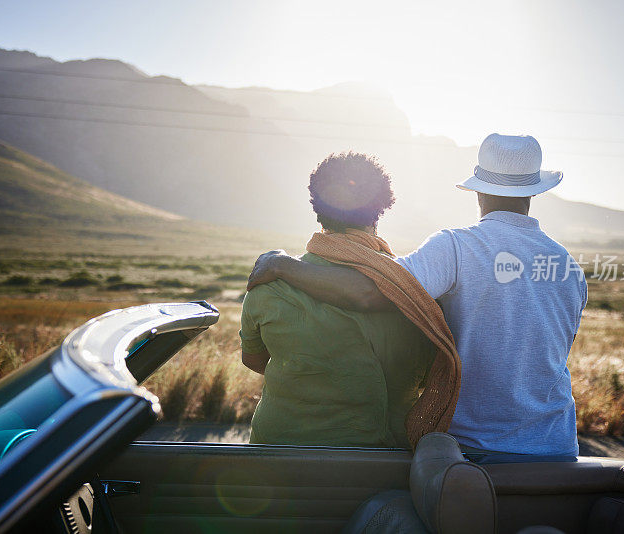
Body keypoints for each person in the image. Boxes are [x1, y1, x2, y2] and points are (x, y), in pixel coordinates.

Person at [248, 134, 587, 457]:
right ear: (534, 192)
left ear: (479, 191)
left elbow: (373, 290)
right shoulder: (569, 267)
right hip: (556, 443)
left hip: (472, 445)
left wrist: (282, 266)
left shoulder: (457, 247)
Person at [240, 152, 435, 448]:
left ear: (316, 205)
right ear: (382, 206)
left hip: (277, 460)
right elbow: (428, 376)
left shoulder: (268, 283)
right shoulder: (414, 291)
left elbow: (254, 360)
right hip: (387, 463)